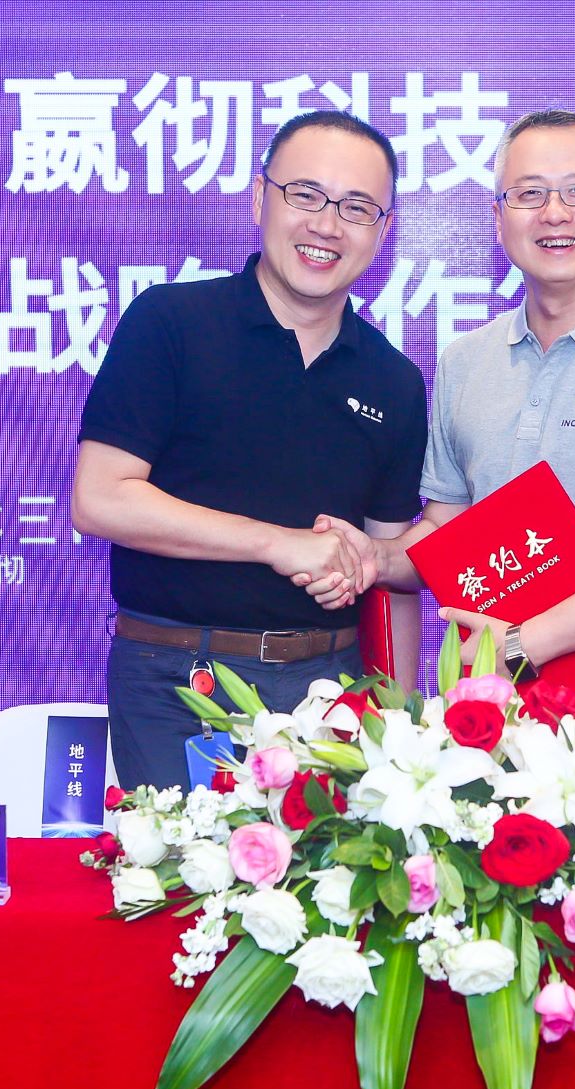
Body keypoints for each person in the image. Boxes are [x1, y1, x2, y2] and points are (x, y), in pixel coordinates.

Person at [307, 109, 575, 698]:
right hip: (495, 717)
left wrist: (520, 644)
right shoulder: (465, 361)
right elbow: (447, 532)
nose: (555, 213)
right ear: (498, 219)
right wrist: (377, 558)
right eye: (529, 194)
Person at [73, 110, 426, 789]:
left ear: (382, 231)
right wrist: (276, 544)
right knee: (180, 861)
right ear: (261, 196)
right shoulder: (170, 323)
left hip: (332, 690)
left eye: (357, 208)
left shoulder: (394, 380)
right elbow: (100, 498)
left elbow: (388, 571)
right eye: (307, 195)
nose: (327, 225)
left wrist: (399, 721)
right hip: (176, 680)